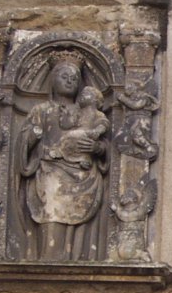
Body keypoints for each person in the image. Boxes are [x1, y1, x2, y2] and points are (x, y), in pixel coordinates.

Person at [21, 59, 109, 260]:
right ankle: (51, 256)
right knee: (52, 206)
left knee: (78, 214)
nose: (70, 81)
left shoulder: (89, 111)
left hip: (83, 173)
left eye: (74, 78)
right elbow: (22, 144)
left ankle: (78, 256)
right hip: (51, 170)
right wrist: (33, 135)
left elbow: (105, 144)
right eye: (64, 77)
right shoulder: (41, 110)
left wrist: (98, 148)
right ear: (53, 81)